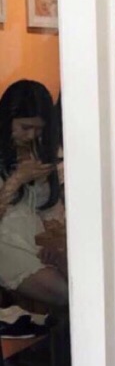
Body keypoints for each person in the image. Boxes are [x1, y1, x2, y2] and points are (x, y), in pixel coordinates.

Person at [0, 80, 67, 306]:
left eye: (38, 129)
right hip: (5, 242)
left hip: (36, 235)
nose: (31, 135)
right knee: (64, 292)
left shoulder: (38, 150)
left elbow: (49, 208)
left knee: (87, 280)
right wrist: (16, 180)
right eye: (25, 127)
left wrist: (54, 240)